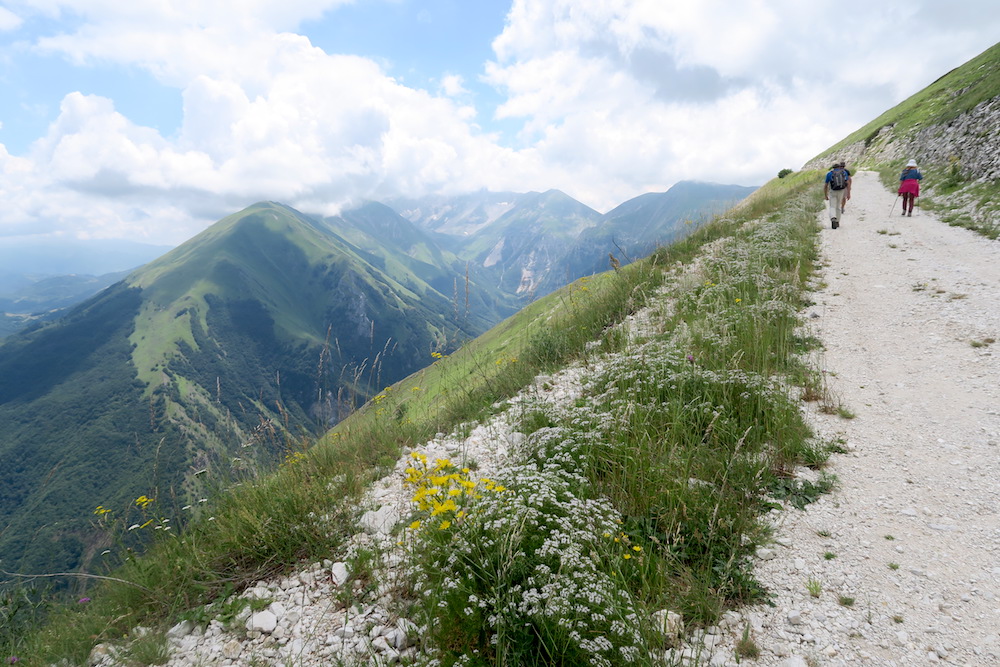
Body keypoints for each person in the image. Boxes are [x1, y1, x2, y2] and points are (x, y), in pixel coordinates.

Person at [823, 161, 851, 229]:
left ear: (833, 167)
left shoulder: (829, 174)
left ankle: (833, 218)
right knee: (838, 206)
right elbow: (848, 183)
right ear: (839, 166)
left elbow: (826, 185)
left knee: (832, 206)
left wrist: (826, 195)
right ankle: (837, 221)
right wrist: (848, 193)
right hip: (841, 191)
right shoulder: (844, 172)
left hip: (833, 191)